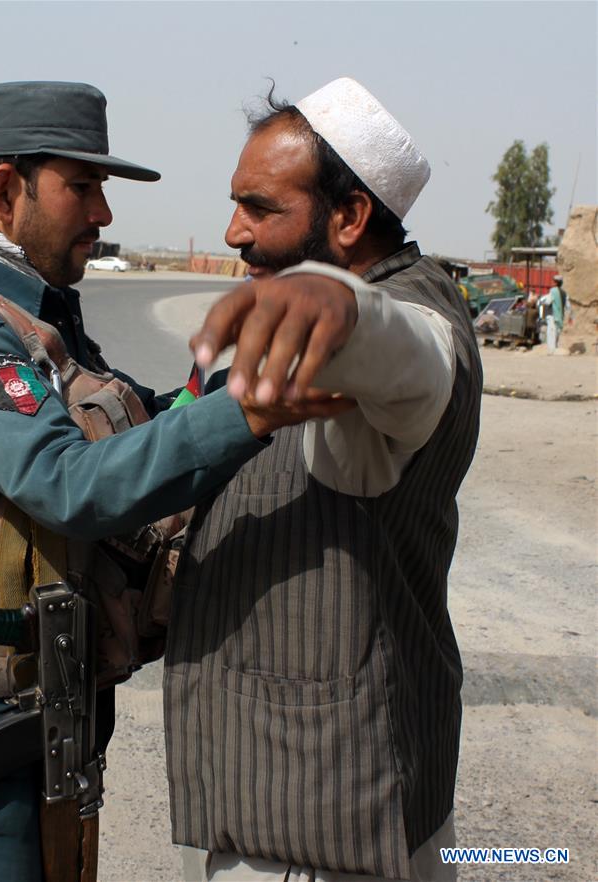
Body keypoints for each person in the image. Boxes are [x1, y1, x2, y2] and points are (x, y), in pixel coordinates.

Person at [0, 80, 329, 882]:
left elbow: (138, 421)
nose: (103, 214)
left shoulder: (36, 323)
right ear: (6, 191)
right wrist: (249, 411)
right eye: (83, 187)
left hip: (31, 723)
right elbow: (67, 484)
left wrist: (227, 379)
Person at [163, 77, 483, 882]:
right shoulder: (289, 322)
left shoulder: (407, 323)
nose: (232, 231)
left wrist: (335, 298)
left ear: (348, 218)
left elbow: (399, 347)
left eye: (260, 207)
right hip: (287, 809)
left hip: (329, 833)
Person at [546, 273, 567, 351]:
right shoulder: (564, 293)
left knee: (551, 333)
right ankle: (556, 347)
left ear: (555, 282)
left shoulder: (553, 291)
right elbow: (567, 306)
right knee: (557, 333)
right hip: (560, 316)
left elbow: (548, 301)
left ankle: (551, 350)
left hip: (553, 315)